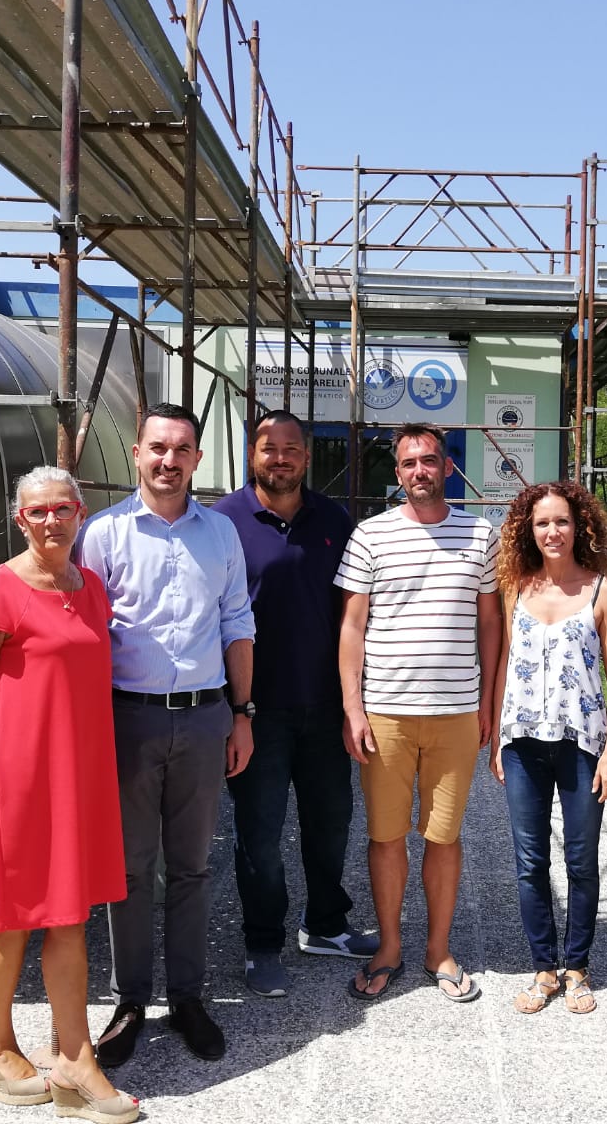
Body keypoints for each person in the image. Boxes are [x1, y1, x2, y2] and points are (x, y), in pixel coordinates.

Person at [0, 466, 137, 1124]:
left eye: (61, 508)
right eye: (37, 512)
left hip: (76, 777)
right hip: (15, 777)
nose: (51, 520)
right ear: (20, 520)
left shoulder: (89, 589)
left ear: (80, 513)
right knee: (11, 916)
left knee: (70, 915)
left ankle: (72, 1060)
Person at [77, 404, 256, 1067]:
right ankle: (130, 1002)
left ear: (197, 460)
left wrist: (243, 713)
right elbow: (86, 634)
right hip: (129, 718)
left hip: (207, 716)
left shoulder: (220, 535)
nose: (168, 460)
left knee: (192, 866)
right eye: (158, 447)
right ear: (136, 452)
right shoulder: (102, 535)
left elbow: (237, 622)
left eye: (182, 449)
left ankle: (187, 998)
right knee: (128, 869)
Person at [212, 411, 377, 999]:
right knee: (259, 834)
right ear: (252, 454)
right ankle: (263, 944)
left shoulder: (334, 520)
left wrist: (354, 702)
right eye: (268, 448)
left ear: (307, 457)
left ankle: (326, 925)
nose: (279, 458)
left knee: (330, 825)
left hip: (324, 706)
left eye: (291, 449)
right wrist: (237, 709)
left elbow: (354, 615)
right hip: (257, 710)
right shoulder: (222, 522)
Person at [335, 423, 502, 1004]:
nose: (419, 472)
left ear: (448, 467)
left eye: (429, 461)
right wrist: (352, 707)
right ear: (397, 473)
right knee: (385, 838)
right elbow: (352, 627)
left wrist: (488, 706)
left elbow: (490, 627)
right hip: (386, 714)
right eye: (408, 464)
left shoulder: (482, 536)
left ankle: (438, 949)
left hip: (456, 713)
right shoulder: (370, 536)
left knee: (444, 837)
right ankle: (389, 947)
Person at [489, 481, 607, 1015]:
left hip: (582, 744)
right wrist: (499, 737)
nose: (553, 531)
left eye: (562, 522)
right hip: (523, 742)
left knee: (580, 859)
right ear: (529, 529)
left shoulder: (603, 592)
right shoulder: (516, 588)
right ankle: (544, 969)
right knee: (529, 861)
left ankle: (577, 967)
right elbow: (502, 663)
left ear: (581, 527)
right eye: (542, 522)